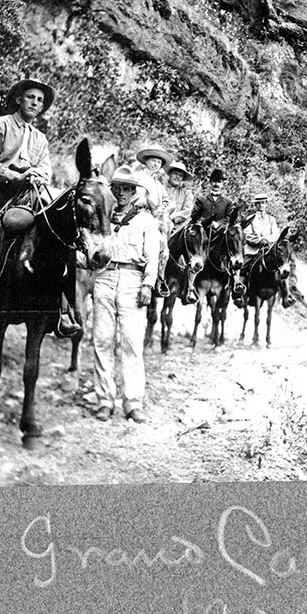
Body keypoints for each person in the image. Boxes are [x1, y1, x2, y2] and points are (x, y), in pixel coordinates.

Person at [0, 77, 79, 334]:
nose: (35, 102)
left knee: (58, 235)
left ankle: (63, 311)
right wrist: (13, 175)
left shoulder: (40, 139)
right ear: (19, 99)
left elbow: (45, 171)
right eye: (31, 97)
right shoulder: (0, 126)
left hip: (28, 196)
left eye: (40, 100)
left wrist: (35, 176)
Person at [92, 166, 161, 423]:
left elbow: (153, 255)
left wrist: (148, 285)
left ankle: (133, 402)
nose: (121, 193)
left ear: (133, 192)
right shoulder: (104, 218)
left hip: (133, 280)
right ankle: (104, 400)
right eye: (117, 188)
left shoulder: (144, 220)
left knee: (131, 343)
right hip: (105, 278)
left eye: (126, 189)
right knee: (102, 340)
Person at [132, 144, 173, 298]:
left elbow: (166, 201)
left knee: (164, 245)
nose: (156, 164)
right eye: (153, 161)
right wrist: (146, 203)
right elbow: (135, 197)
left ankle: (159, 279)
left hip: (155, 218)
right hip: (137, 213)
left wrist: (163, 207)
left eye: (159, 162)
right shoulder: (137, 177)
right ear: (146, 161)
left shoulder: (158, 184)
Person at [165, 160, 195, 228]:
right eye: (175, 174)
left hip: (177, 226)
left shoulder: (186, 193)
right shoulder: (161, 188)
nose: (177, 177)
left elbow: (187, 211)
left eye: (180, 175)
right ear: (170, 174)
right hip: (160, 223)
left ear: (182, 179)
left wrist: (172, 217)